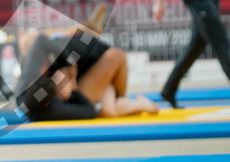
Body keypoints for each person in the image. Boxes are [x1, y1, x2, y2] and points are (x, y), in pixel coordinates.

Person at [15, 32, 158, 120]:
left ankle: (126, 100)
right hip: (81, 86)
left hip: (84, 64)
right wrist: (73, 88)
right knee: (109, 109)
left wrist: (69, 66)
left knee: (27, 40)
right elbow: (89, 110)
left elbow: (40, 40)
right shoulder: (51, 109)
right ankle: (135, 103)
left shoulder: (28, 81)